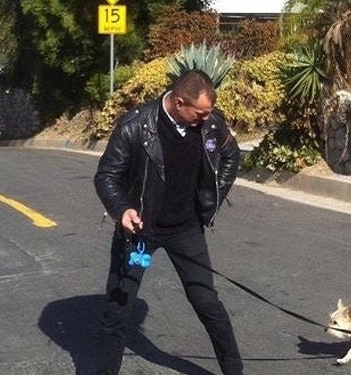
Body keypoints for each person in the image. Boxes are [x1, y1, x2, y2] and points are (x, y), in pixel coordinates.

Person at [94, 69, 244, 375]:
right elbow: (107, 175)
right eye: (200, 113)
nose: (206, 119)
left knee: (208, 304)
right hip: (140, 232)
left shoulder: (211, 124)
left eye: (209, 113)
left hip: (186, 230)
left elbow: (231, 155)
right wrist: (122, 210)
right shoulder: (135, 126)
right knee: (119, 311)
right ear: (178, 102)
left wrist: (212, 199)